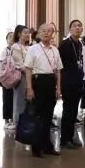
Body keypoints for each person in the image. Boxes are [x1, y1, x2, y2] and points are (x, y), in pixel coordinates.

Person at [23, 23, 62, 158]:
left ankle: (47, 146)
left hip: (51, 82)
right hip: (37, 82)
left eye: (49, 31)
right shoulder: (33, 49)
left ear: (52, 34)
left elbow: (58, 71)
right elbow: (28, 69)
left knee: (48, 116)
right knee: (37, 116)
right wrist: (29, 88)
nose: (46, 33)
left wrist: (58, 88)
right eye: (43, 31)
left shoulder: (55, 50)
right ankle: (36, 147)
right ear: (39, 33)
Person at [58, 20, 85, 150]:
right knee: (68, 111)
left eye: (80, 26)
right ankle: (64, 139)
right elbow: (58, 65)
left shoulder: (80, 44)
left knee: (74, 112)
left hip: (78, 81)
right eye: (75, 26)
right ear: (70, 29)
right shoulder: (64, 44)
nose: (78, 28)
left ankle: (70, 137)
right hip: (67, 82)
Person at [8, 25, 31, 130]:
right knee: (20, 101)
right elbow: (20, 65)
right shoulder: (16, 47)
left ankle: (27, 123)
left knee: (29, 101)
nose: (27, 34)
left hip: (30, 76)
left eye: (28, 32)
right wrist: (32, 73)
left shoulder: (29, 47)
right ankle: (18, 124)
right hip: (21, 77)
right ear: (19, 34)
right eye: (25, 32)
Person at [2, 30, 17, 126]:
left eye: (13, 36)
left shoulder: (17, 49)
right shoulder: (5, 50)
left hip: (16, 77)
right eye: (10, 36)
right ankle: (7, 119)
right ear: (7, 40)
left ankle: (13, 117)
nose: (12, 38)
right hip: (7, 77)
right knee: (7, 98)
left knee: (14, 98)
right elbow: (2, 64)